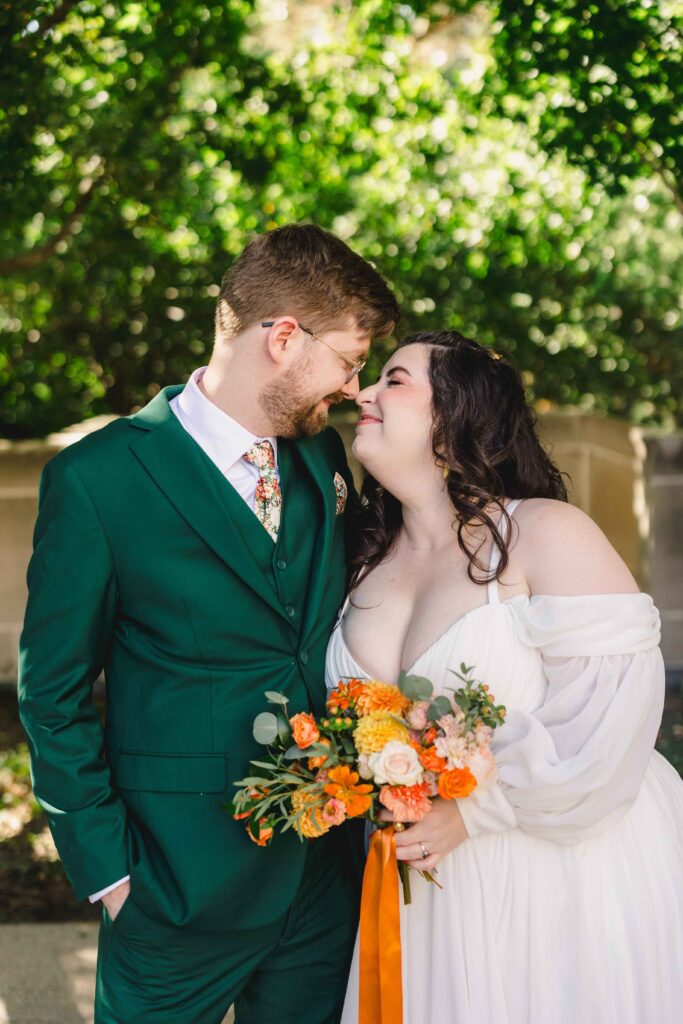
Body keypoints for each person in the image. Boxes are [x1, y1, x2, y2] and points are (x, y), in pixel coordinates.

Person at [18, 223, 399, 1024]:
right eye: (348, 361)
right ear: (284, 338)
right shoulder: (98, 481)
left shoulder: (323, 459)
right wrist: (114, 876)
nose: (354, 388)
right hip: (173, 887)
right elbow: (50, 694)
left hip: (320, 878)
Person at [326, 330, 683, 1024]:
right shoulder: (360, 559)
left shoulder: (544, 533)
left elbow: (614, 716)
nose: (363, 392)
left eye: (393, 380)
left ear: (453, 416)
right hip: (421, 886)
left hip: (558, 872)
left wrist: (474, 807)